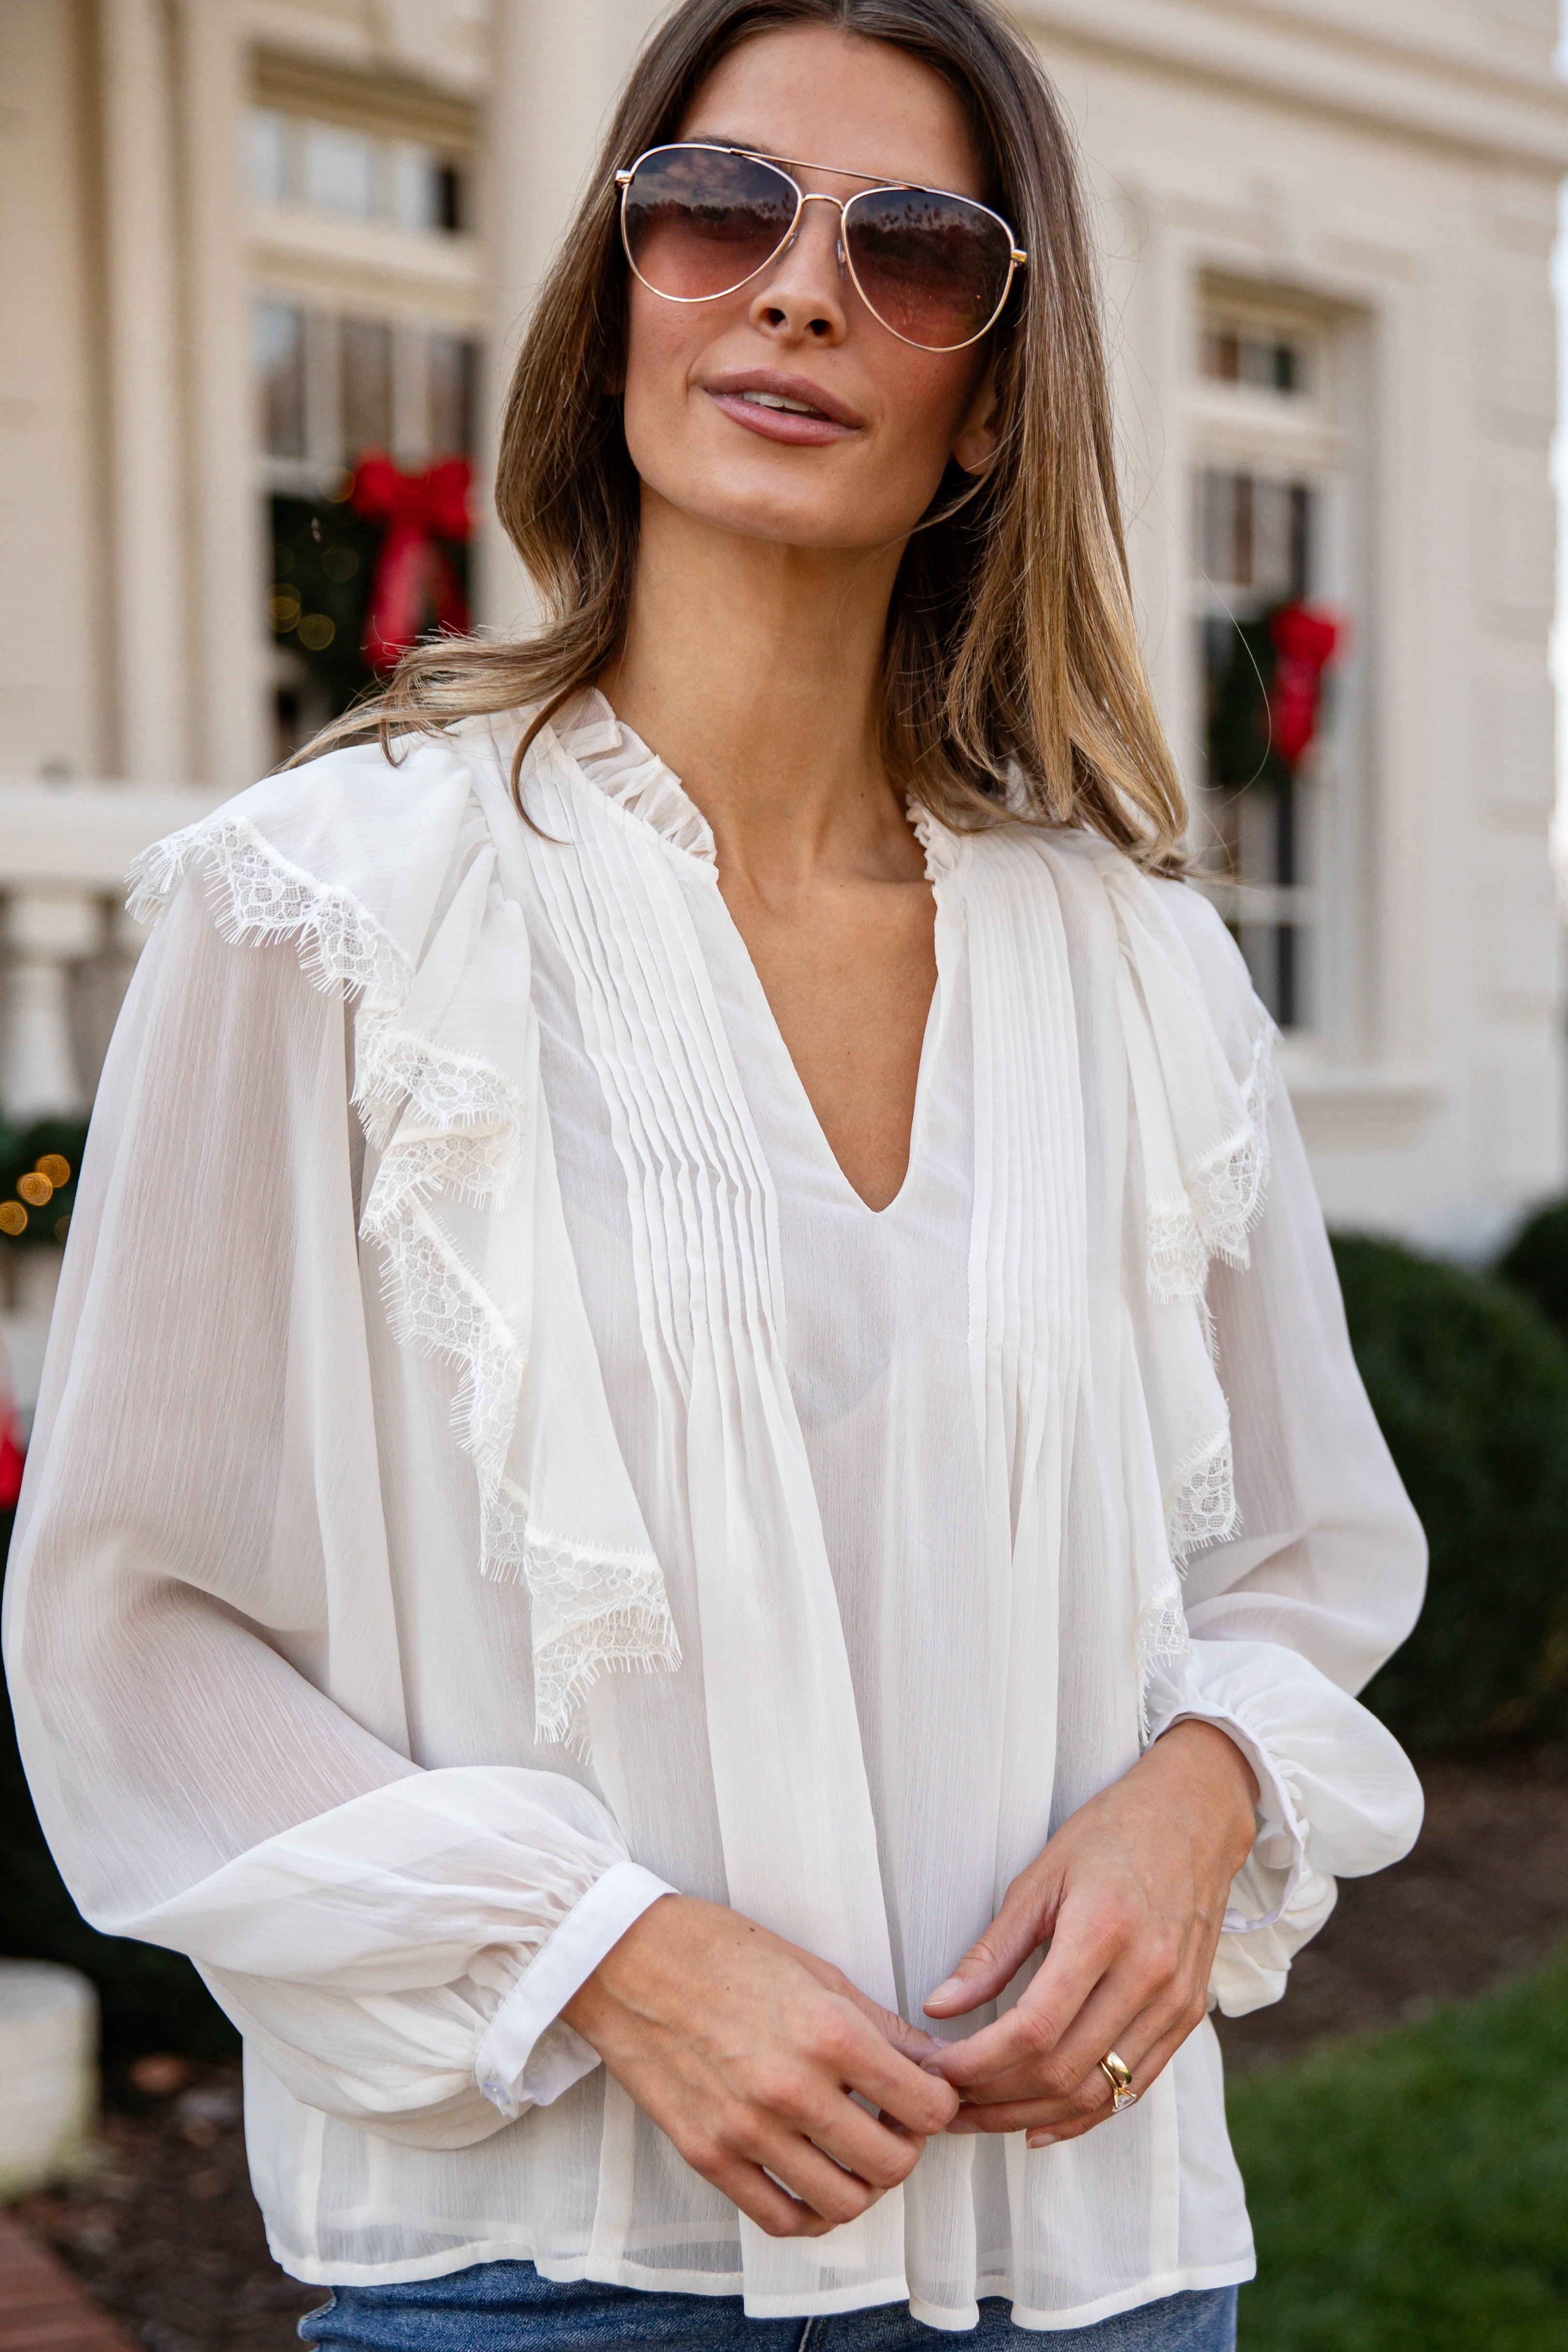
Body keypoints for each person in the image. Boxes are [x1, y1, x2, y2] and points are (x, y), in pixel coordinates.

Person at [2, 2, 1426, 2346]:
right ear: (622, 289)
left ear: (991, 397)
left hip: (1092, 2262)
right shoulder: (335, 909)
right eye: (722, 209)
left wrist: (1202, 1788)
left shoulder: (1145, 965)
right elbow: (132, 1620)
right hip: (555, 2262)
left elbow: (1298, 1553)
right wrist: (604, 1954)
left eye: (915, 249)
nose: (794, 289)